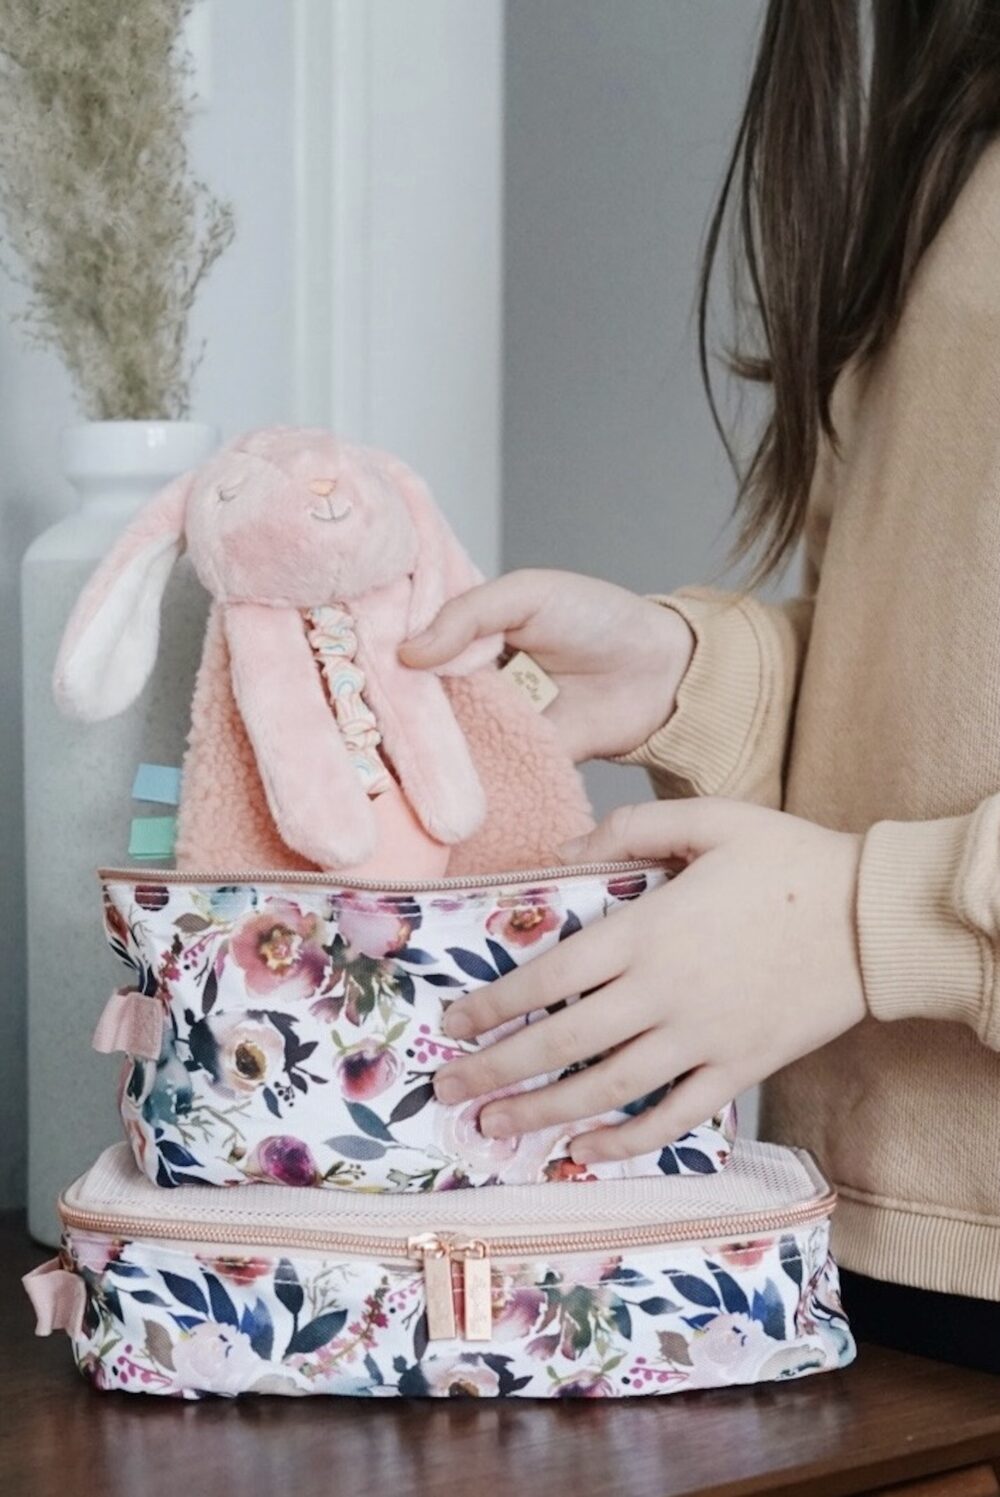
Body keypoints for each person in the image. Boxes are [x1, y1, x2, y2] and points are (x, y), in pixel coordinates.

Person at [400, 1, 1000, 1375]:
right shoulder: (957, 116)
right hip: (852, 1240)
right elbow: (938, 630)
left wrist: (868, 917)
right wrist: (699, 675)